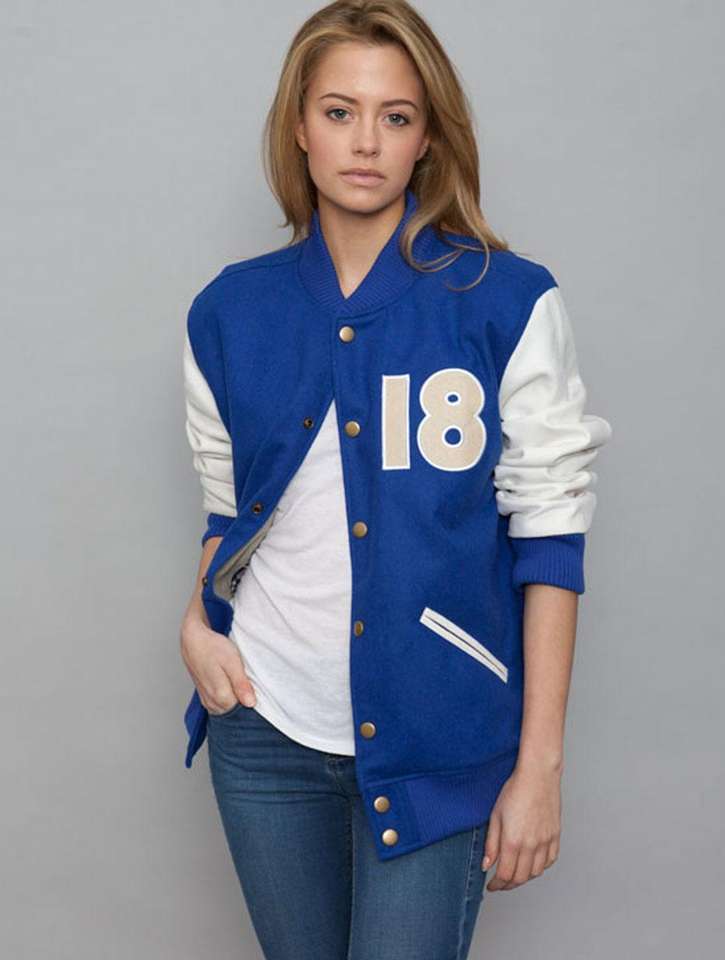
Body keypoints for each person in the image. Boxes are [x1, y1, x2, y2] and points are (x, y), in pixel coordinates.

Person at [179, 1, 612, 957]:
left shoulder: (505, 300)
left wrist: (539, 766)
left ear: (428, 138)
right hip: (263, 729)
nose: (366, 142)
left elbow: (550, 538)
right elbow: (231, 512)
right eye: (339, 112)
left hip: (438, 739)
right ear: (299, 127)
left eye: (396, 116)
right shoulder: (228, 312)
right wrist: (194, 622)